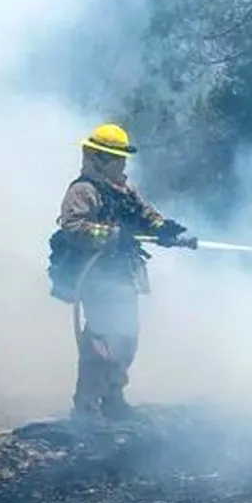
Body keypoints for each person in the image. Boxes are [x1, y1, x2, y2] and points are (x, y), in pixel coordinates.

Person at [52, 123, 189, 423]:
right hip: (95, 277)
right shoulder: (82, 190)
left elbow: (145, 215)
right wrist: (114, 235)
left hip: (122, 275)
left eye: (122, 158)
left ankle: (114, 397)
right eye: (116, 158)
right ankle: (86, 406)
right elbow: (73, 226)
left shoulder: (123, 190)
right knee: (100, 340)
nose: (122, 164)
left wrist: (163, 229)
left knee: (126, 338)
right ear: (98, 158)